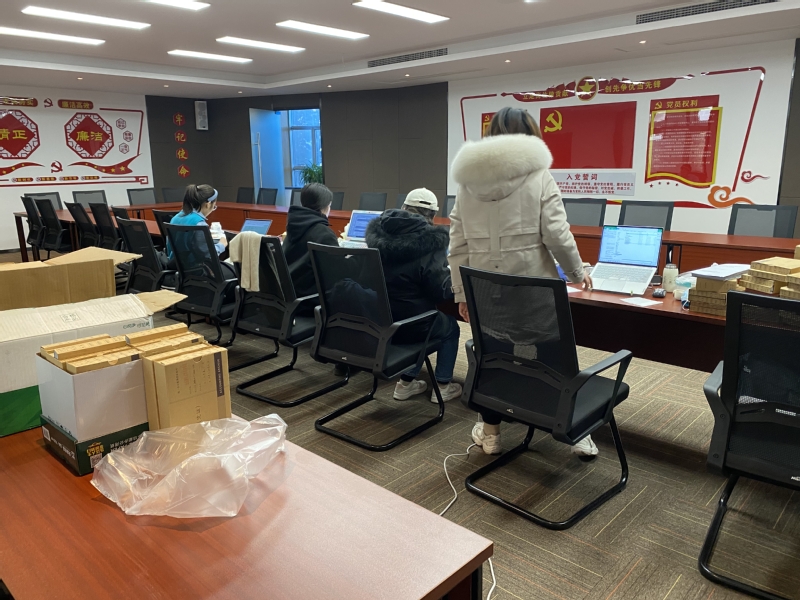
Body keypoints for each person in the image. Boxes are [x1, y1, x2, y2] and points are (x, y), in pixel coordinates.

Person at [448, 107, 594, 457]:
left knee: (492, 357)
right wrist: (578, 273)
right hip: (535, 293)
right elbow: (557, 235)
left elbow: (458, 245)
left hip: (486, 296)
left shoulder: (467, 184)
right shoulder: (539, 176)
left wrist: (461, 293)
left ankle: (491, 433)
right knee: (553, 359)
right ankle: (573, 431)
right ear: (531, 136)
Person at [365, 188, 462, 403]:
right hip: (414, 325)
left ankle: (406, 383)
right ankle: (443, 386)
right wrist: (453, 277)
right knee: (449, 327)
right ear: (432, 215)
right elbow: (439, 291)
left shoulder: (378, 235)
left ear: (403, 208)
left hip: (383, 322)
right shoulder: (430, 243)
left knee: (419, 317)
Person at [282, 183, 339, 297]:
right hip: (310, 297)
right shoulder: (324, 233)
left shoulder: (293, 226)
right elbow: (337, 272)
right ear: (325, 206)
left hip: (290, 294)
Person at [167, 183, 235, 279]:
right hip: (198, 271)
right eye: (214, 206)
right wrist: (221, 245)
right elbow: (208, 256)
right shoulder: (199, 224)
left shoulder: (176, 217)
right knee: (237, 272)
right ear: (208, 204)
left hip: (177, 267)